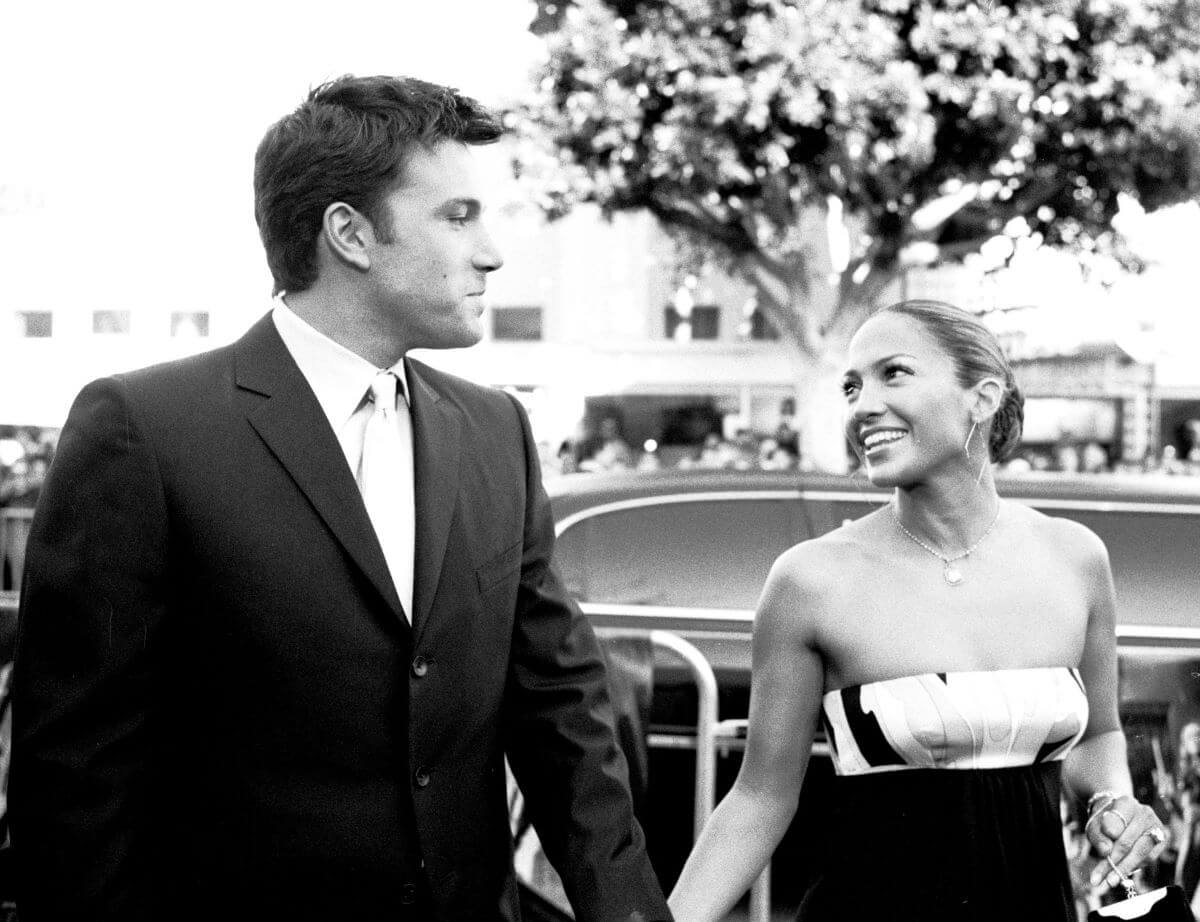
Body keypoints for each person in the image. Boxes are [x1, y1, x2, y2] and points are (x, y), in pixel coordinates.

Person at [10, 75, 669, 922]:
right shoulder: (144, 429)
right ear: (350, 234)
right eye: (458, 216)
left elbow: (563, 713)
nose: (494, 252)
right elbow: (75, 772)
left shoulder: (495, 429)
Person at [667, 300, 1166, 921]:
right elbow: (759, 797)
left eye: (893, 373)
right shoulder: (810, 579)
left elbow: (1098, 734)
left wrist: (1112, 804)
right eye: (852, 386)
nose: (862, 405)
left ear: (981, 398)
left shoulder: (1076, 558)